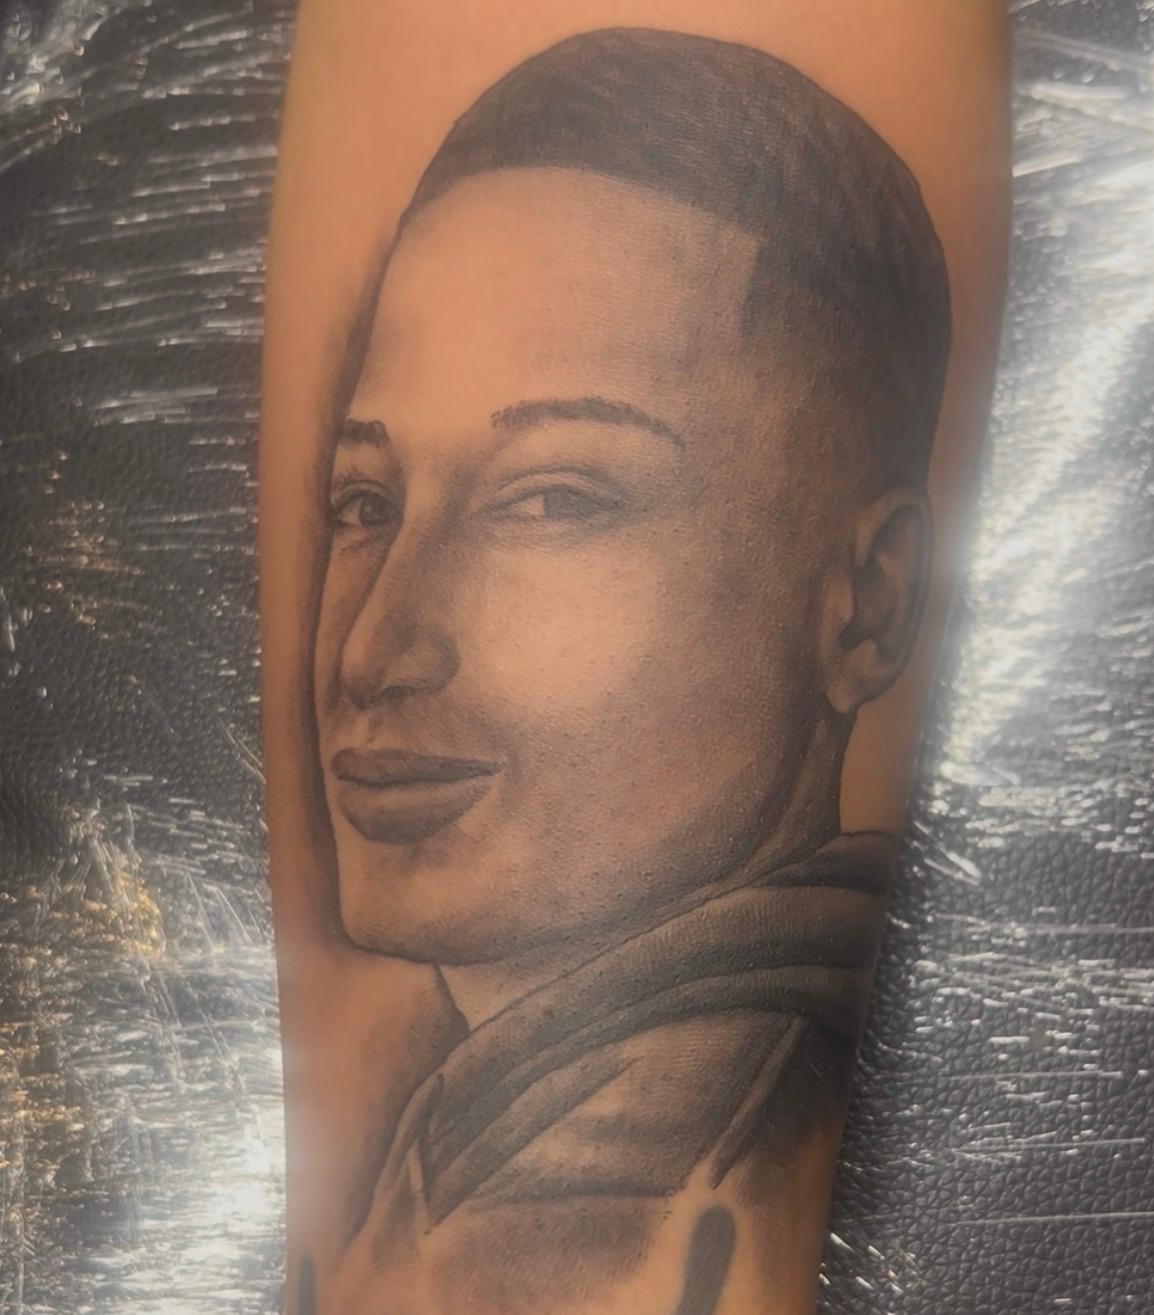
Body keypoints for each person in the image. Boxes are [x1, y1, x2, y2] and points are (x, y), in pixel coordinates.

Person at [260, 9, 1009, 1315]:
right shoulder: (482, 1126)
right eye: (365, 503)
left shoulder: (648, 1179)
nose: (376, 649)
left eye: (554, 499)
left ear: (866, 605)